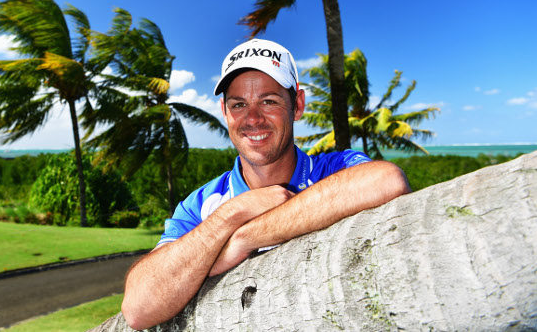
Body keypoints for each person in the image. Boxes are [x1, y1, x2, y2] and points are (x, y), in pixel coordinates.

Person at [121, 39, 411, 330]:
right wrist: (232, 214)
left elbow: (387, 180)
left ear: (297, 105)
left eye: (269, 101)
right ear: (225, 111)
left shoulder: (333, 170)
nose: (253, 118)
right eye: (239, 104)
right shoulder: (202, 205)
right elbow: (138, 308)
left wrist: (246, 237)